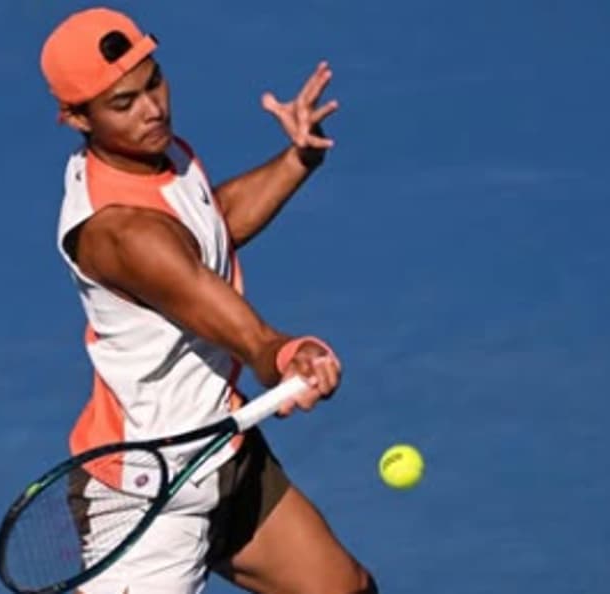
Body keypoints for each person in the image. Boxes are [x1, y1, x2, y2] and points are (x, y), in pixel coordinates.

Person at [39, 7, 377, 594]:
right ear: (76, 117)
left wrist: (297, 159)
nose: (152, 109)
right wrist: (282, 354)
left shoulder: (156, 158)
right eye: (123, 104)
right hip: (152, 502)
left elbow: (207, 227)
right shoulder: (123, 233)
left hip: (224, 451)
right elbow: (223, 316)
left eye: (153, 83)